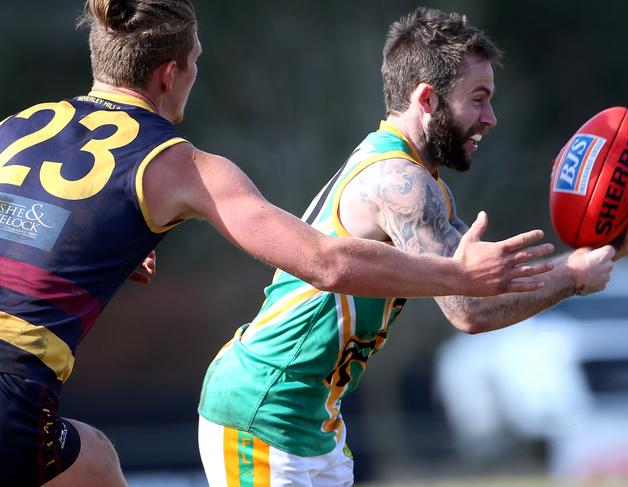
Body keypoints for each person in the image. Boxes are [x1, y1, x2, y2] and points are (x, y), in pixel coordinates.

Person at [0, 2, 558, 486]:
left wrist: (100, 243)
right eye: (197, 64)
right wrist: (462, 276)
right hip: (16, 396)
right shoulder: (179, 163)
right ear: (171, 74)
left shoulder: (19, 125)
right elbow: (326, 262)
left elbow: (31, 222)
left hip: (299, 421)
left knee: (93, 459)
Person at [196, 7, 628, 486]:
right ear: (427, 99)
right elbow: (468, 308)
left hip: (311, 420)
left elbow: (483, 280)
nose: (491, 118)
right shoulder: (401, 182)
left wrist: (581, 262)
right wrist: (574, 279)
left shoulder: (415, 178)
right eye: (478, 99)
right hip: (262, 410)